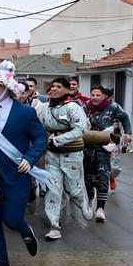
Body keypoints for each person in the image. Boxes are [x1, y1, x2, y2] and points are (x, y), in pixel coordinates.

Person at [0, 62, 48, 266]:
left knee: (13, 218)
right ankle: (2, 260)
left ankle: (26, 232)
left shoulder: (24, 112)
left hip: (17, 174)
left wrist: (31, 158)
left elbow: (41, 137)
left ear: (7, 86)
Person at [37, 77, 93, 241]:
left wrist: (57, 139)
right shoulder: (45, 108)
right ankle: (54, 225)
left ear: (68, 90)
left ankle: (83, 204)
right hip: (52, 155)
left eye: (58, 86)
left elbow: (79, 129)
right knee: (53, 189)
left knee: (73, 188)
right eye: (52, 86)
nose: (54, 89)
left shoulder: (73, 107)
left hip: (72, 154)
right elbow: (41, 127)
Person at [84, 85, 131, 223]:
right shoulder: (85, 107)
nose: (95, 97)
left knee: (103, 174)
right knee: (86, 178)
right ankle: (90, 195)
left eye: (98, 95)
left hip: (105, 145)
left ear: (105, 96)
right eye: (92, 94)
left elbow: (125, 118)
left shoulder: (113, 108)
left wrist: (127, 133)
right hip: (87, 145)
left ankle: (100, 209)